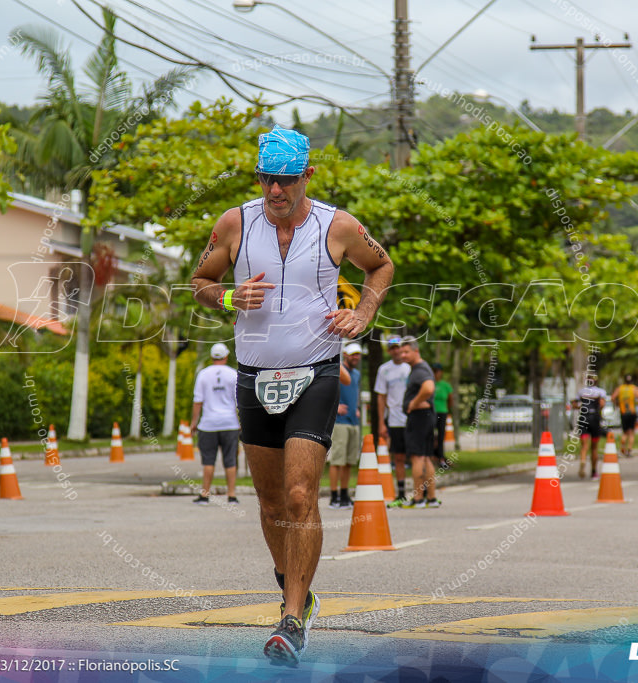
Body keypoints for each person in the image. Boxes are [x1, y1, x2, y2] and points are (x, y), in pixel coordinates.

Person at [190, 126, 393, 665]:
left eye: (285, 180)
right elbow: (200, 281)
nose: (274, 191)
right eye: (265, 180)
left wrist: (362, 312)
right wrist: (230, 293)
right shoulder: (235, 222)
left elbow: (382, 265)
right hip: (253, 374)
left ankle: (291, 619)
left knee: (301, 495)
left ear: (307, 175)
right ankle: (294, 590)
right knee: (272, 501)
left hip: (316, 371)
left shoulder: (339, 225)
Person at [190, 342, 240, 505]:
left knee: (208, 460)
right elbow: (239, 401)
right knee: (230, 460)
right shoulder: (233, 374)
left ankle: (205, 495)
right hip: (230, 424)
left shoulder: (203, 374)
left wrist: (193, 423)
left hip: (208, 424)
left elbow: (198, 401)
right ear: (226, 356)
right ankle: (231, 496)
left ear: (211, 357)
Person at [401, 337, 439, 508]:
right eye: (402, 352)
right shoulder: (420, 368)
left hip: (419, 417)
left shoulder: (420, 369)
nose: (403, 355)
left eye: (406, 351)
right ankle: (431, 498)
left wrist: (413, 403)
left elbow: (429, 388)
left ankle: (418, 498)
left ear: (416, 351)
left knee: (417, 457)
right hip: (427, 416)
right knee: (426, 458)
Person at [375, 337, 410, 505]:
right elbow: (381, 397)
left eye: (398, 348)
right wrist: (382, 422)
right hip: (395, 419)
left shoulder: (409, 367)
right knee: (399, 457)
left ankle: (423, 492)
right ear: (389, 351)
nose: (396, 351)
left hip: (412, 419)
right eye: (393, 348)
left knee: (419, 456)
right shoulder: (384, 370)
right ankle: (401, 492)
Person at [328, 343, 362, 510]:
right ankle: (334, 496)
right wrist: (336, 407)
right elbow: (327, 392)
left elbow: (354, 394)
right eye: (353, 354)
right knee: (337, 461)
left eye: (358, 354)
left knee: (349, 461)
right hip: (340, 422)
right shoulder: (337, 371)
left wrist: (356, 409)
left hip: (353, 422)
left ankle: (344, 494)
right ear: (346, 355)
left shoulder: (356, 374)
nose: (355, 357)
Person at [576, 373, 607, 479]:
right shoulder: (600, 392)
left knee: (584, 445)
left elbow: (575, 404)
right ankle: (594, 471)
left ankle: (583, 460)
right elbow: (602, 404)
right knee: (594, 447)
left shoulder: (581, 391)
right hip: (595, 418)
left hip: (583, 418)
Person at [611, 374, 638, 457]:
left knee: (625, 432)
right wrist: (637, 403)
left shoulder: (620, 388)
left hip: (623, 413)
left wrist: (617, 404)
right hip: (632, 412)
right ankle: (629, 450)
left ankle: (622, 446)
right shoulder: (635, 389)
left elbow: (612, 398)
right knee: (631, 433)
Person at [432, 363, 454, 469]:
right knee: (430, 435)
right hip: (431, 412)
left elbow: (450, 400)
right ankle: (432, 456)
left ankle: (441, 457)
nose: (435, 374)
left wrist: (447, 410)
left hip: (442, 412)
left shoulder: (445, 385)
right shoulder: (430, 383)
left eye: (437, 371)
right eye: (434, 371)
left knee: (441, 436)